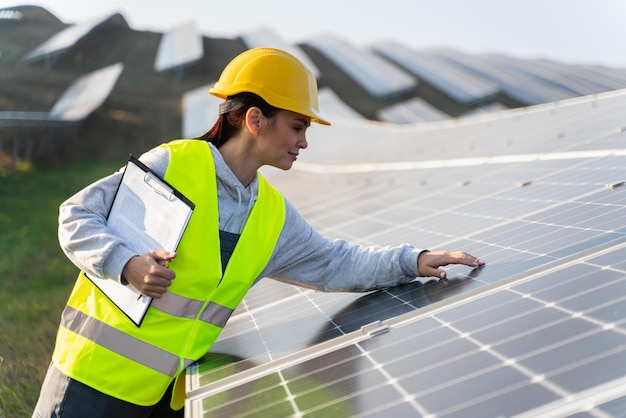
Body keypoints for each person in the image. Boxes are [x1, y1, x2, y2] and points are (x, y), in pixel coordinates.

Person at [32, 47, 485, 418]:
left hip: (167, 396)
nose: (304, 142)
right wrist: (126, 264)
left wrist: (413, 260)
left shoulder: (271, 212)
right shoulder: (175, 164)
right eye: (297, 126)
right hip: (90, 381)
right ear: (254, 120)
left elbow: (334, 262)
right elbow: (76, 215)